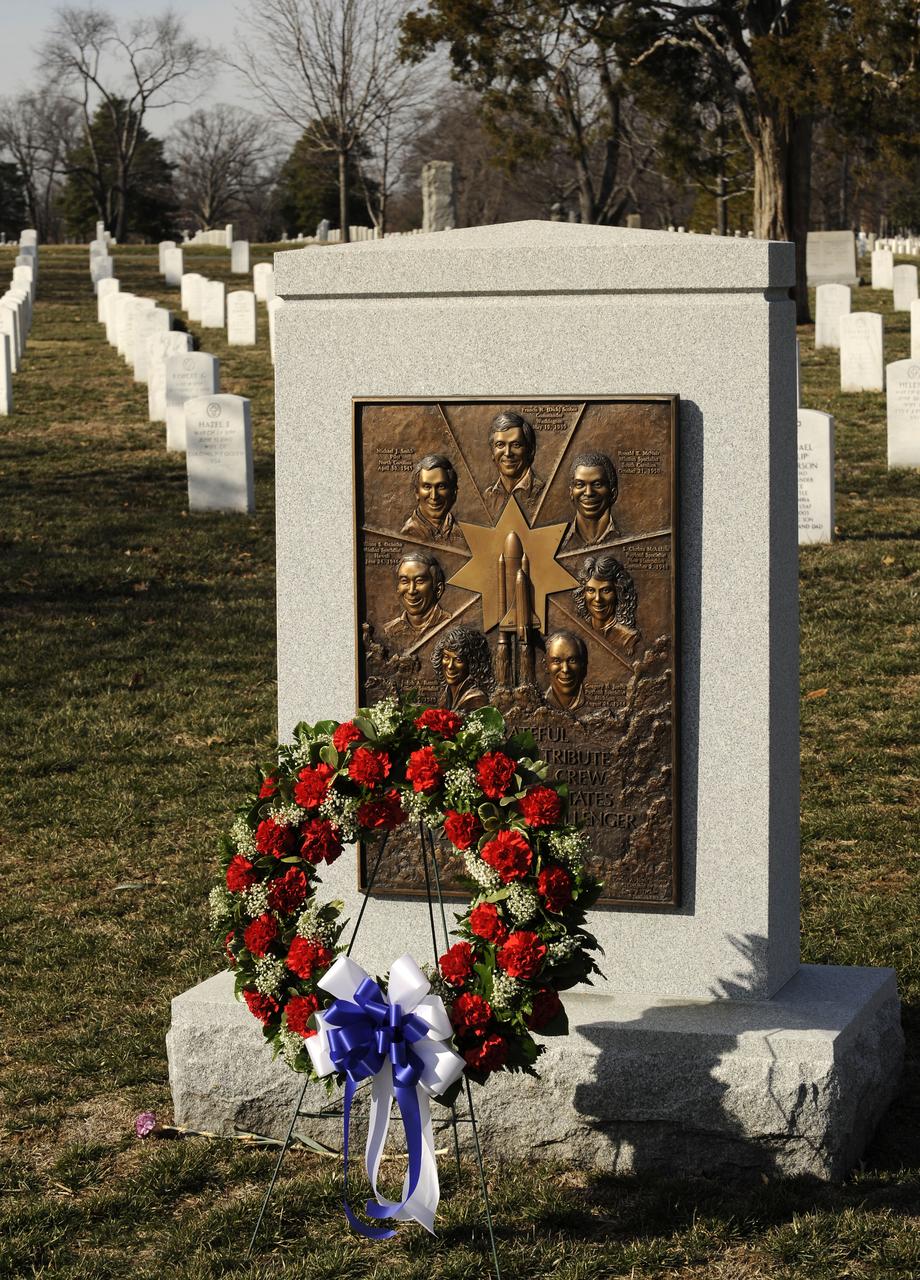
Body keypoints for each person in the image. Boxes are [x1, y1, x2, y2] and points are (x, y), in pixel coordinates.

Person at [572, 553, 641, 656]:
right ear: (583, 594)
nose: (598, 598)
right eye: (591, 590)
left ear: (619, 593)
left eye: (606, 590)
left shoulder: (629, 638)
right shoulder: (577, 630)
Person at [483, 411, 544, 517]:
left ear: (531, 451)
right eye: (500, 445)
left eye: (516, 445)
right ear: (492, 452)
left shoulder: (544, 494)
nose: (508, 453)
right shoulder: (488, 496)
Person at [383, 551, 449, 646]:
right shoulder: (389, 631)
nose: (411, 590)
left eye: (419, 581)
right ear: (398, 588)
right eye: (404, 581)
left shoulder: (450, 624)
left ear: (438, 589)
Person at [561, 452, 620, 550]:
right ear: (571, 492)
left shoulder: (631, 536)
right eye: (580, 484)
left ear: (613, 494)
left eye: (597, 484)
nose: (588, 493)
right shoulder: (558, 543)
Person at [400, 453, 462, 545]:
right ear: (417, 492)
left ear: (453, 492)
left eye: (441, 486)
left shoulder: (463, 534)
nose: (434, 496)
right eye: (427, 487)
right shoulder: (407, 534)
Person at [432, 625, 494, 711]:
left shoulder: (476, 699)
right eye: (446, 657)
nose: (450, 666)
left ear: (472, 664)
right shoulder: (445, 695)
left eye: (458, 660)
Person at [543, 630, 588, 711]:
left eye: (572, 660)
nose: (565, 669)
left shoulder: (597, 699)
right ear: (546, 666)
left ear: (583, 665)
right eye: (557, 661)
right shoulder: (540, 701)